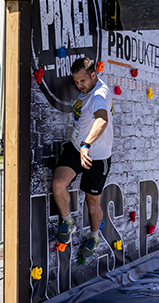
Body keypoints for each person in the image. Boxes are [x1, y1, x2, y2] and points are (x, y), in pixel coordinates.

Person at [52, 57, 113, 259]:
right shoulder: (87, 89)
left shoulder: (99, 94)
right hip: (76, 148)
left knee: (92, 203)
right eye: (76, 82)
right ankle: (68, 222)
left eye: (82, 81)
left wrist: (87, 144)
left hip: (97, 156)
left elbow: (102, 119)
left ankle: (94, 237)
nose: (79, 85)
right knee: (59, 184)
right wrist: (81, 146)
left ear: (93, 75)